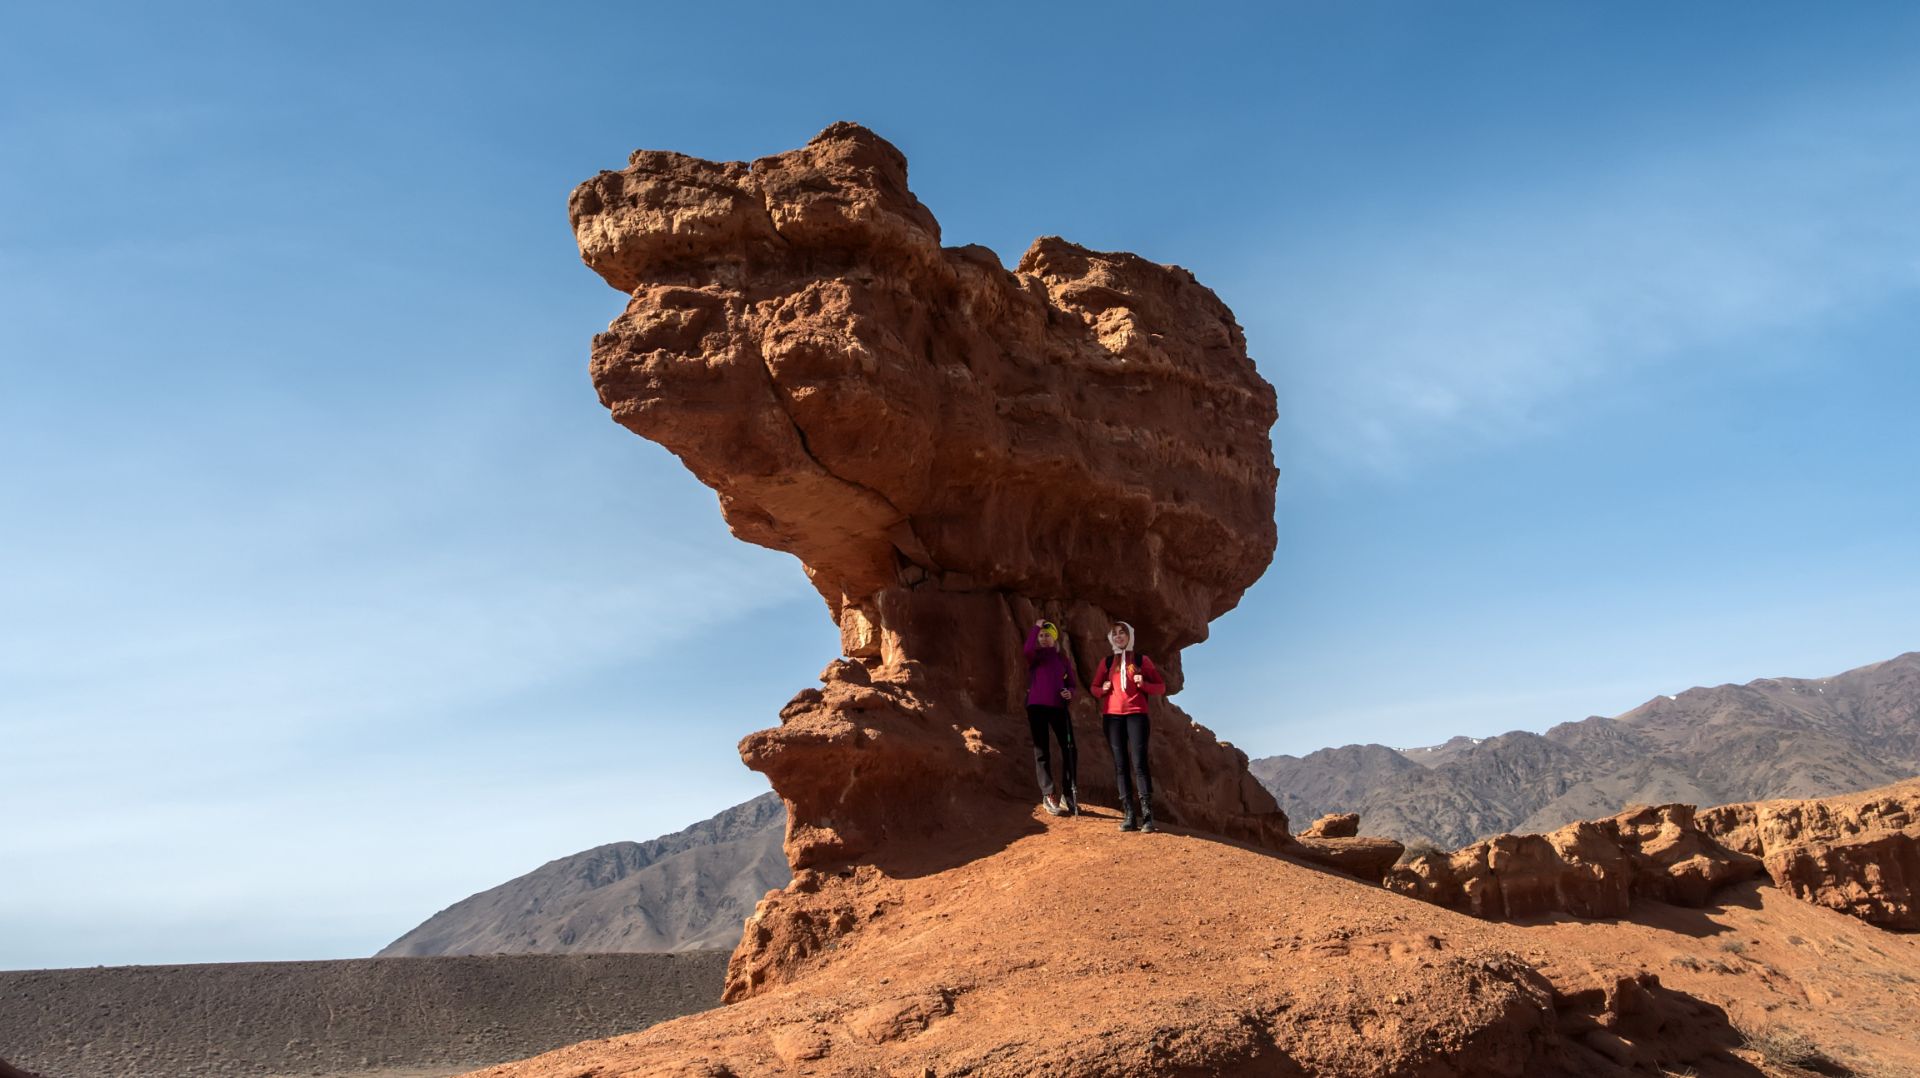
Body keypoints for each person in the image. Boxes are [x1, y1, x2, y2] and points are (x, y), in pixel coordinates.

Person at [1094, 620, 1166, 832]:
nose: (1118, 636)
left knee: (1139, 764)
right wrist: (1102, 689)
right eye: (1115, 633)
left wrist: (1143, 683)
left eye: (1122, 633)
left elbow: (1160, 687)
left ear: (1130, 636)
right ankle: (1129, 815)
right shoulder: (1107, 662)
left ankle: (1147, 816)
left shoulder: (1142, 660)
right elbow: (1094, 687)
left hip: (1137, 715)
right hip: (1112, 717)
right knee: (1120, 765)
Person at [1022, 619, 1080, 816]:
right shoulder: (1035, 657)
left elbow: (1072, 684)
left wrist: (1069, 693)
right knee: (1042, 750)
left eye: (1047, 635)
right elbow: (1026, 649)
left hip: (1058, 707)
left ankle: (1068, 795)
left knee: (1070, 749)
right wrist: (1036, 627)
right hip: (1036, 707)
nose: (1043, 638)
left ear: (1054, 637)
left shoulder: (1062, 660)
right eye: (1041, 636)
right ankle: (1049, 794)